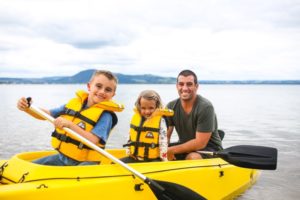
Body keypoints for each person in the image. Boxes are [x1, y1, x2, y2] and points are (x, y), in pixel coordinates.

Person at [17, 70, 124, 166]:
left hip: (86, 163)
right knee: (30, 166)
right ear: (89, 86)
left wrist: (70, 125)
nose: (102, 92)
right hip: (62, 158)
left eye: (108, 90)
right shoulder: (74, 104)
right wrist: (28, 108)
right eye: (98, 86)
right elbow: (48, 114)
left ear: (113, 94)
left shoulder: (106, 116)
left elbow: (93, 140)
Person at [166, 69, 223, 160]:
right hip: (185, 146)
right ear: (177, 86)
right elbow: (166, 136)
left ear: (196, 86)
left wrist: (171, 150)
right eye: (181, 84)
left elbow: (200, 143)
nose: (184, 88)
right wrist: (163, 150)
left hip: (210, 148)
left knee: (192, 157)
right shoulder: (171, 106)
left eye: (189, 84)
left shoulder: (205, 107)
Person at [121, 90, 173, 163]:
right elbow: (130, 136)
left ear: (157, 106)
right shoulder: (135, 118)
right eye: (143, 108)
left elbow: (163, 141)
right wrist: (128, 151)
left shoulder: (161, 121)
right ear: (139, 106)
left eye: (151, 108)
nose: (147, 111)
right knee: (113, 164)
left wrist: (164, 159)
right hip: (135, 157)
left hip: (153, 159)